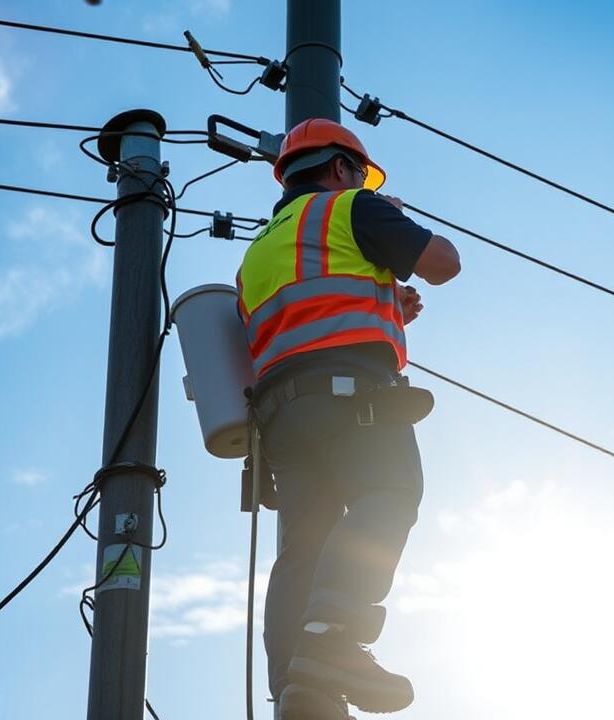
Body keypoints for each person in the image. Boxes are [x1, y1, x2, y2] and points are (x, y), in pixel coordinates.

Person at [236, 117, 461, 719]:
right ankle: (333, 637)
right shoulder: (352, 208)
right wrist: (387, 218)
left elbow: (306, 324)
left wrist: (387, 304)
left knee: (302, 550)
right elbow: (444, 262)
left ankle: (298, 690)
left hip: (285, 424)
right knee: (391, 492)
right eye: (358, 173)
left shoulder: (258, 253)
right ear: (340, 168)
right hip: (354, 403)